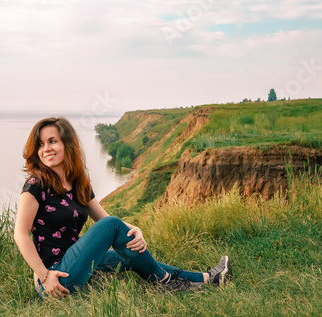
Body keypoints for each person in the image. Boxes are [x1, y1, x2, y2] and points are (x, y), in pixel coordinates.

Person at [13, 117, 232, 299]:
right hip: (55, 279)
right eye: (41, 144)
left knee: (131, 255)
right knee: (113, 226)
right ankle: (165, 282)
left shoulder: (79, 183)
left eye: (52, 141)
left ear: (67, 145)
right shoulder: (36, 185)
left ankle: (209, 278)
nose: (46, 149)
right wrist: (43, 276)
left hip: (76, 263)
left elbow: (107, 221)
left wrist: (135, 230)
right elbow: (20, 234)